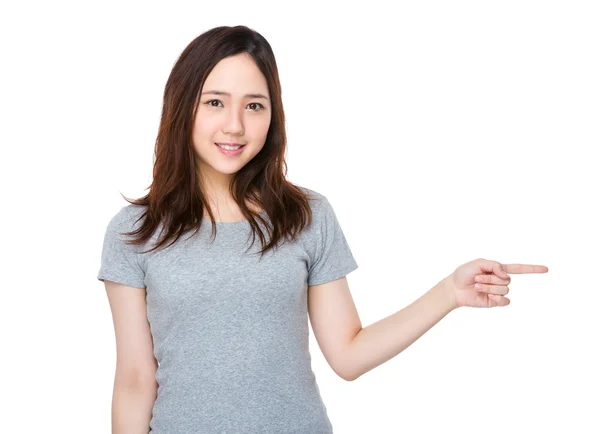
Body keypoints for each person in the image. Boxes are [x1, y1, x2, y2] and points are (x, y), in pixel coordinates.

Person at [97, 25, 549, 434]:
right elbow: (135, 380)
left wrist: (449, 293)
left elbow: (349, 354)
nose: (235, 125)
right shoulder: (135, 233)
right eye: (215, 102)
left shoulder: (306, 215)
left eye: (254, 106)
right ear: (182, 107)